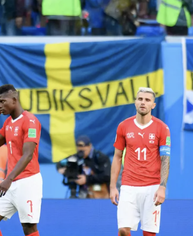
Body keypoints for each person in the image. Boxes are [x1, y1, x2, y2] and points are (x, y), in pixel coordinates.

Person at [0, 84, 42, 236]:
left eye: (3, 101)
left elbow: (28, 154)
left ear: (14, 100)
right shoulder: (9, 122)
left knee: (29, 227)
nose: (0, 105)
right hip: (10, 182)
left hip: (27, 181)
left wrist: (9, 178)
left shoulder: (30, 121)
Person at [110, 87, 170, 236]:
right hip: (128, 185)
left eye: (147, 100)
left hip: (152, 187)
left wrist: (162, 187)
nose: (143, 102)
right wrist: (112, 186)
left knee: (149, 233)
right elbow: (117, 156)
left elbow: (165, 159)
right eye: (140, 99)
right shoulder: (123, 126)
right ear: (135, 102)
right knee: (123, 230)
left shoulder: (162, 128)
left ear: (153, 105)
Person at [56, 135, 112, 199]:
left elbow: (107, 175)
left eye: (84, 151)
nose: (82, 153)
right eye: (79, 151)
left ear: (90, 146)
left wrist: (87, 179)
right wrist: (61, 168)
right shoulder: (76, 157)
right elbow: (61, 162)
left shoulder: (100, 157)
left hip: (101, 195)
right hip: (83, 194)